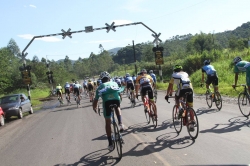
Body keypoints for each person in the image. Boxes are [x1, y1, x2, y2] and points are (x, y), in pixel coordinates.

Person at [93, 71, 124, 151]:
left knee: (108, 122)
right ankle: (120, 124)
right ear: (109, 78)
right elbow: (119, 94)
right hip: (116, 100)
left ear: (101, 79)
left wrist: (94, 107)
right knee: (117, 108)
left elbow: (96, 100)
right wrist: (119, 99)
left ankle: (110, 143)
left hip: (107, 102)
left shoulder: (100, 87)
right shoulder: (114, 83)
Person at [165, 65, 194, 130]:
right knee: (190, 107)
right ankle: (192, 121)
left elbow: (170, 86)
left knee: (177, 97)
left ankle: (180, 108)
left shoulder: (173, 75)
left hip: (182, 89)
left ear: (174, 70)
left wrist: (167, 95)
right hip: (190, 89)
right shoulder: (185, 73)